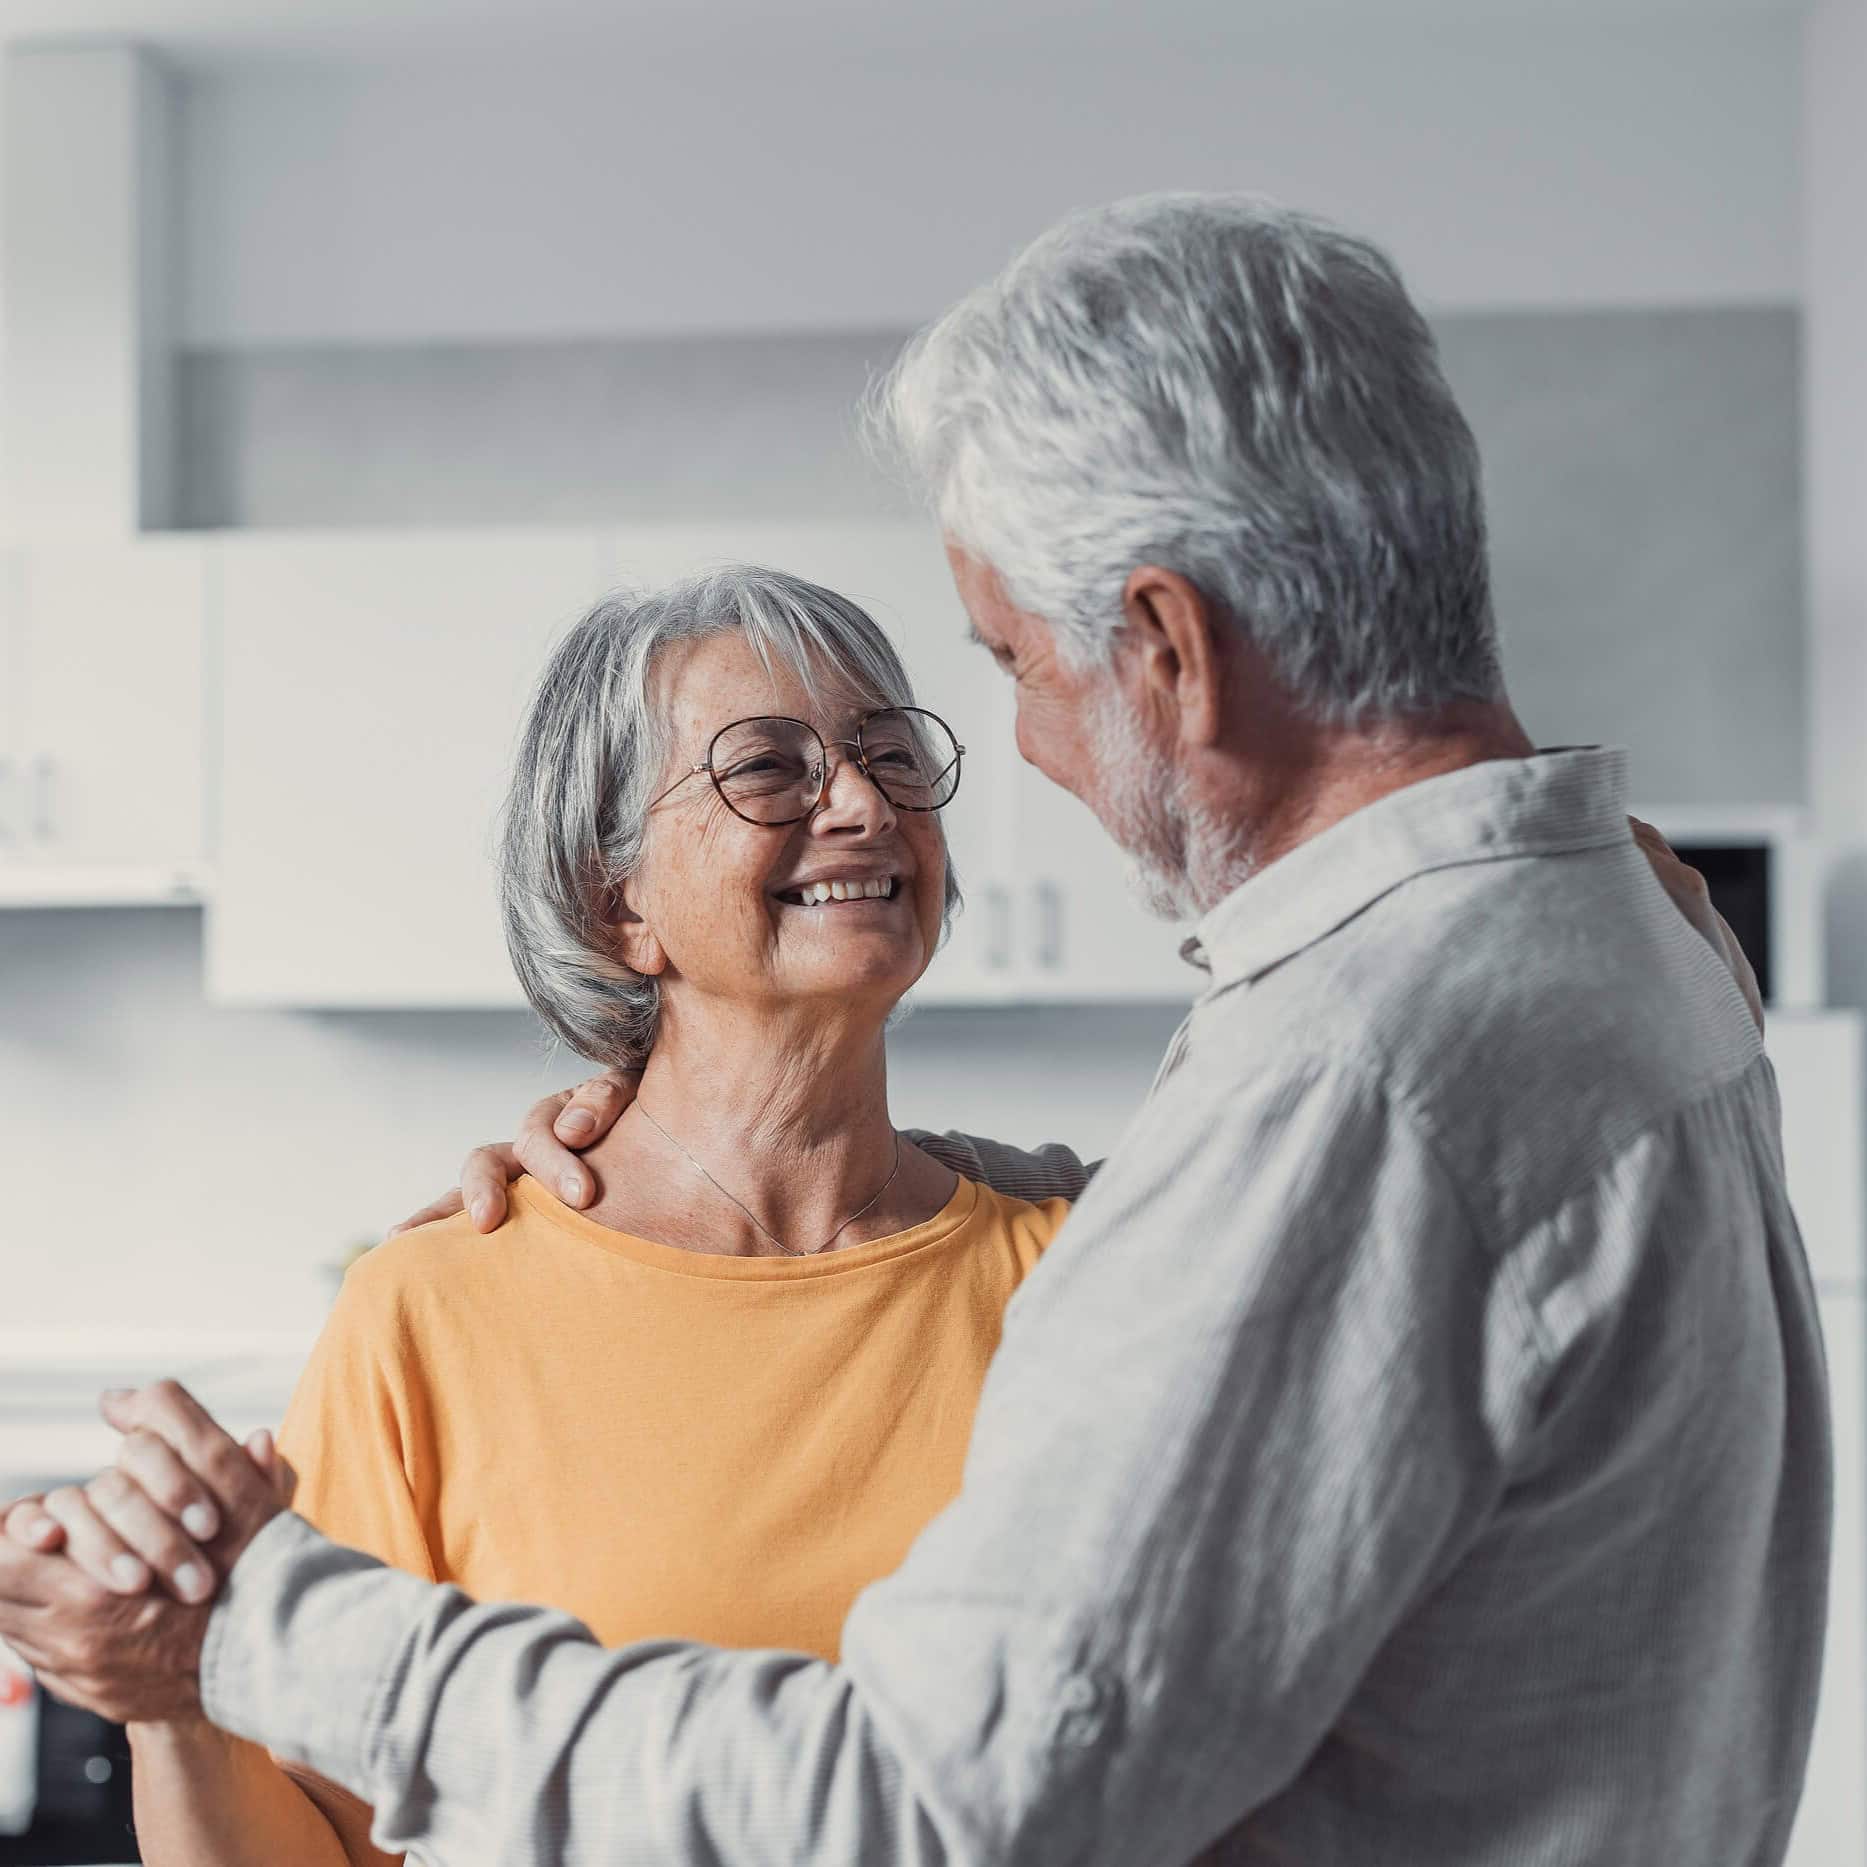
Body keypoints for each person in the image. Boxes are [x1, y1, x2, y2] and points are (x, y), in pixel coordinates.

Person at [0, 193, 1826, 1867]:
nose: (992, 757)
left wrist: (251, 1621)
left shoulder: (1351, 1084)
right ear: (606, 896)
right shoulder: (1622, 928)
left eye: (1001, 674)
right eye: (773, 769)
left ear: (1169, 650)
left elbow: (928, 1810)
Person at [29, 565, 1100, 1867]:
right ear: (617, 901)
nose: (866, 805)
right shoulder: (435, 1309)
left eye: (887, 754)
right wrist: (174, 1705)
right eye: (769, 768)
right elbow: (315, 1848)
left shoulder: (1086, 1279)